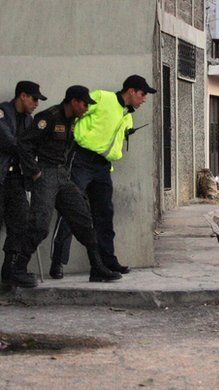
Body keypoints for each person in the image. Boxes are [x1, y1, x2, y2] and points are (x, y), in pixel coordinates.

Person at [7, 86, 122, 288]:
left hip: (61, 175)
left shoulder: (72, 121)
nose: (86, 108)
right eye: (84, 103)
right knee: (40, 225)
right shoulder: (49, 117)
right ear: (74, 101)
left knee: (83, 218)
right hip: (46, 174)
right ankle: (17, 270)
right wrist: (34, 171)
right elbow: (24, 144)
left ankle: (97, 267)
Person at [50, 75, 156, 279]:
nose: (144, 99)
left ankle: (106, 262)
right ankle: (57, 262)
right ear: (131, 91)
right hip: (81, 159)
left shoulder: (128, 115)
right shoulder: (102, 98)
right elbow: (75, 114)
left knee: (104, 215)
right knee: (70, 210)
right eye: (143, 94)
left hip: (103, 167)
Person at [0, 81, 46, 286]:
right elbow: (8, 141)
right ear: (23, 96)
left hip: (16, 179)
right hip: (1, 176)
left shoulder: (29, 121)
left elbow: (33, 146)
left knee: (20, 222)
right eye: (34, 98)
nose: (37, 103)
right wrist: (27, 151)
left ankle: (10, 270)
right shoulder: (2, 112)